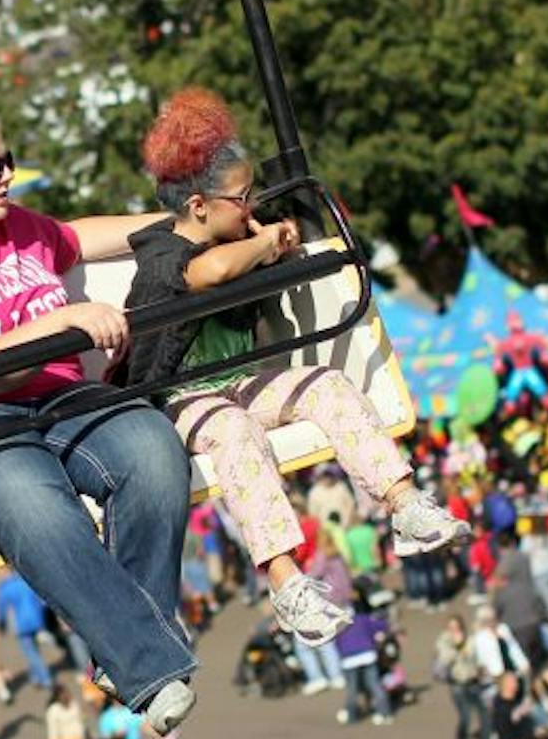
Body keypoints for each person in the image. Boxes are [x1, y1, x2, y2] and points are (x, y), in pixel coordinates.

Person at [0, 95, 198, 734]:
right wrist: (63, 320)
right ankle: (148, 664)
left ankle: (130, 649)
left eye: (8, 161)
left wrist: (181, 223)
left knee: (153, 448)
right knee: (34, 499)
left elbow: (80, 236)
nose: (7, 178)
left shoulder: (20, 227)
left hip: (56, 402)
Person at [119, 91, 467, 645]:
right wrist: (264, 242)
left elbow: (256, 250)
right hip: (180, 396)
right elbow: (206, 274)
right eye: (241, 198)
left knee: (327, 385)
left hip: (239, 378)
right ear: (202, 206)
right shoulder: (161, 254)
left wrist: (273, 239)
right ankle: (285, 580)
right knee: (234, 432)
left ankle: (403, 503)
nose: (252, 209)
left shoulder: (238, 234)